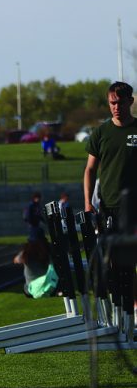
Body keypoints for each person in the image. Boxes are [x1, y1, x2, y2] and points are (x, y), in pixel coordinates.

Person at [83, 81, 137, 312]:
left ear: (130, 102)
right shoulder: (101, 132)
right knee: (114, 260)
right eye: (112, 103)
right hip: (108, 207)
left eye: (120, 102)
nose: (116, 107)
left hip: (134, 207)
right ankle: (122, 306)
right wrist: (88, 202)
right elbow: (90, 170)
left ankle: (134, 303)